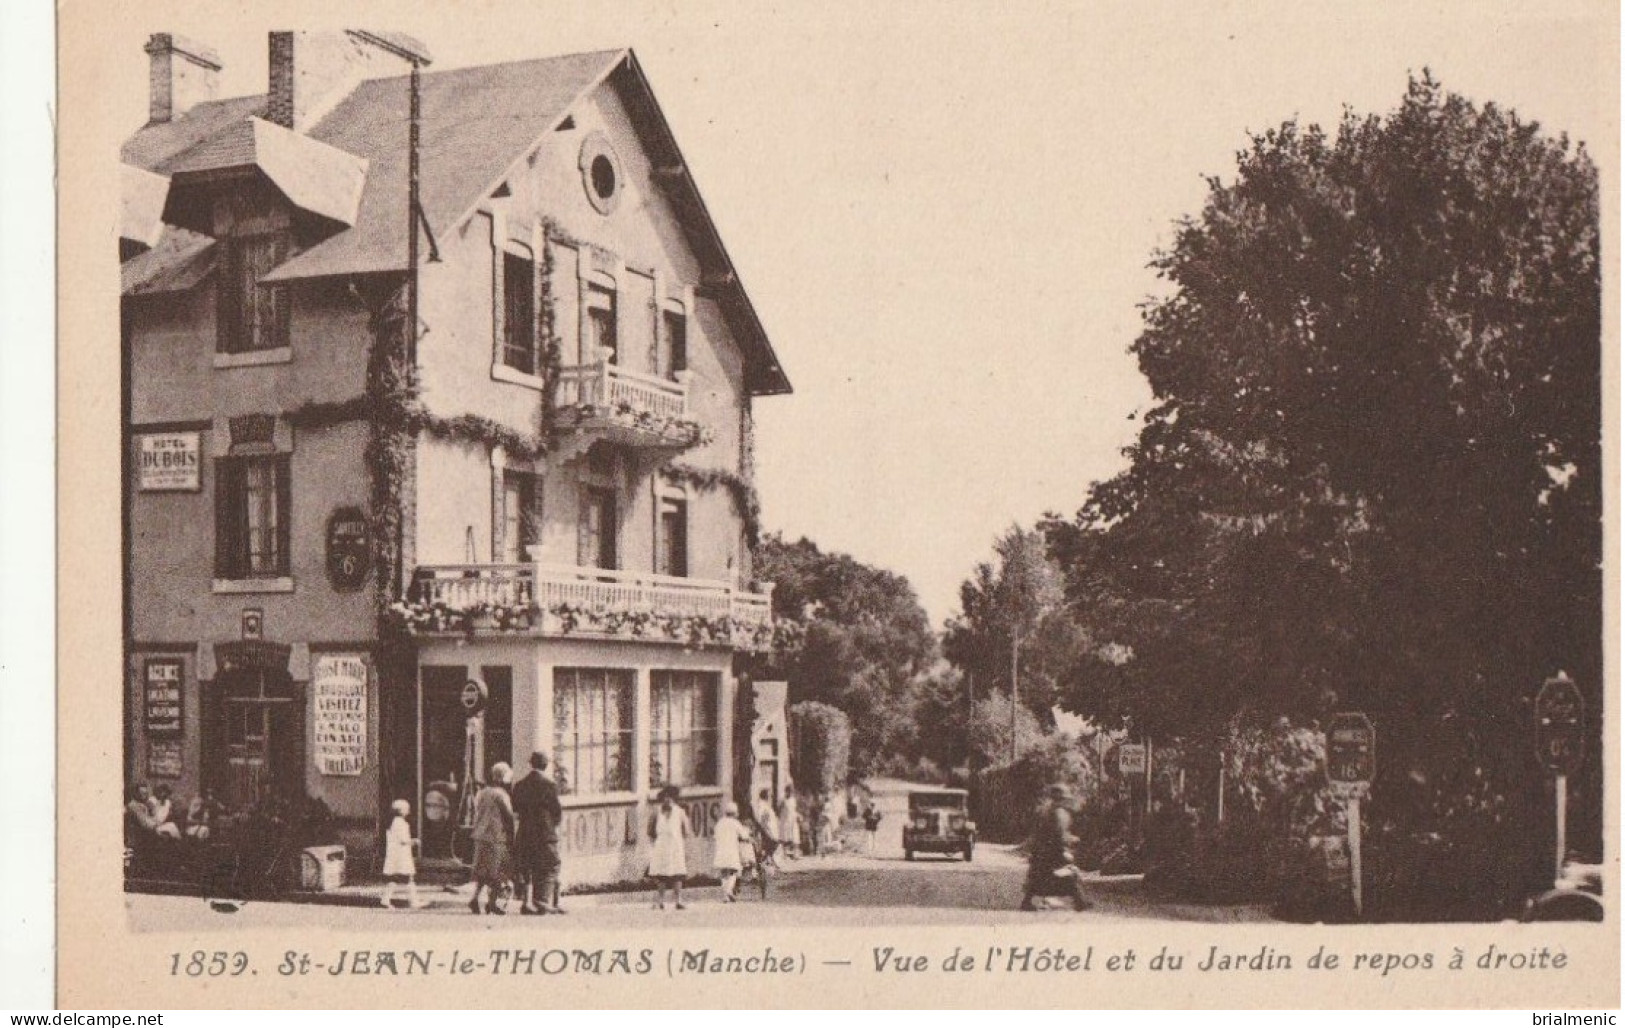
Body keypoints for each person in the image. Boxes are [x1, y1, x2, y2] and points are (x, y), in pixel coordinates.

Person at [1020, 783, 1092, 912]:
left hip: (1042, 851)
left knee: (1038, 877)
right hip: (1054, 851)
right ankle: (1081, 901)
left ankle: (1027, 902)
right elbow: (1060, 834)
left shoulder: (1046, 811)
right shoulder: (1060, 813)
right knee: (1070, 875)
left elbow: (1039, 832)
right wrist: (1072, 840)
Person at [511, 750, 564, 915]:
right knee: (551, 865)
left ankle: (526, 903)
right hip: (545, 834)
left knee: (526, 867)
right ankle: (544, 901)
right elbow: (557, 811)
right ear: (546, 765)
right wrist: (552, 825)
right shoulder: (550, 785)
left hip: (525, 833)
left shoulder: (519, 785)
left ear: (531, 764)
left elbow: (515, 809)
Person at [469, 762, 515, 915]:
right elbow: (508, 815)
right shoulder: (501, 794)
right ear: (503, 776)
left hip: (480, 835)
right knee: (498, 871)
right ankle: (492, 902)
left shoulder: (482, 793)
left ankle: (475, 899)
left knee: (482, 871)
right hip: (496, 836)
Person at [647, 785, 691, 909]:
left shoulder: (680, 812)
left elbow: (686, 831)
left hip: (675, 846)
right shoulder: (656, 812)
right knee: (661, 875)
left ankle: (678, 901)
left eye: (670, 797)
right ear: (662, 798)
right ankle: (660, 901)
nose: (668, 800)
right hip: (661, 846)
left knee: (677, 874)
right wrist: (655, 844)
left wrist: (679, 841)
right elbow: (650, 831)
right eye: (665, 797)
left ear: (674, 798)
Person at [380, 799, 425, 909]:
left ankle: (385, 899)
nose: (408, 811)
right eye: (406, 809)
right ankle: (414, 902)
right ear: (401, 810)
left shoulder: (392, 822)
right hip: (401, 855)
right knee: (408, 878)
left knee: (395, 878)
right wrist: (414, 841)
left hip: (395, 854)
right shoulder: (400, 823)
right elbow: (403, 840)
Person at [711, 802, 749, 902]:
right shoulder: (735, 823)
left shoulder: (719, 823)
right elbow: (744, 835)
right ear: (734, 813)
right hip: (732, 849)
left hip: (721, 850)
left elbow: (715, 836)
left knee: (724, 873)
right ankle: (728, 891)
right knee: (734, 871)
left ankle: (726, 895)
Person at [754, 790, 780, 870]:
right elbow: (763, 819)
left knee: (769, 847)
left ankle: (768, 861)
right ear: (766, 796)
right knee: (772, 844)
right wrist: (767, 831)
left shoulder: (763, 805)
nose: (771, 797)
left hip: (768, 829)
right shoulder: (763, 805)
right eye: (770, 796)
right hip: (767, 829)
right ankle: (762, 863)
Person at [777, 788, 800, 861]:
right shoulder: (783, 800)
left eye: (791, 792)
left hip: (792, 820)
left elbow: (794, 809)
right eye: (788, 792)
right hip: (785, 820)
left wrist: (797, 816)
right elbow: (778, 810)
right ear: (786, 792)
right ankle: (784, 854)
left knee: (795, 837)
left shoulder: (793, 800)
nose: (789, 793)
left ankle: (796, 854)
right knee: (785, 838)